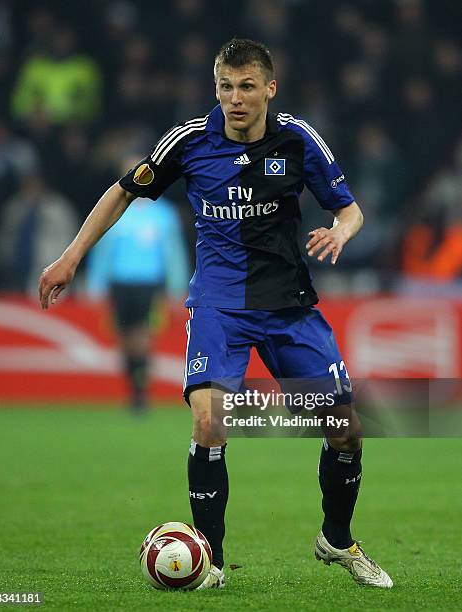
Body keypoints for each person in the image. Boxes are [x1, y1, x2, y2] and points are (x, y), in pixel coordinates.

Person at [39, 38, 392, 589]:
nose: (235, 98)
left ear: (269, 89)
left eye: (247, 86)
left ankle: (338, 541)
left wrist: (340, 231)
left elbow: (350, 210)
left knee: (345, 429)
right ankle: (212, 563)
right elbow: (121, 192)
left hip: (288, 306)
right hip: (219, 305)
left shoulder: (298, 139)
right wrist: (70, 256)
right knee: (210, 422)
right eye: (226, 87)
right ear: (216, 89)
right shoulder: (190, 141)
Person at [86, 188, 189, 412]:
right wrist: (96, 283)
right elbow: (103, 248)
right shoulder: (115, 209)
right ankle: (133, 384)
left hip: (149, 282)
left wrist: (177, 287)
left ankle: (140, 390)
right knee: (123, 336)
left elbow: (173, 252)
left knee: (143, 333)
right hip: (120, 281)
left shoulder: (164, 213)